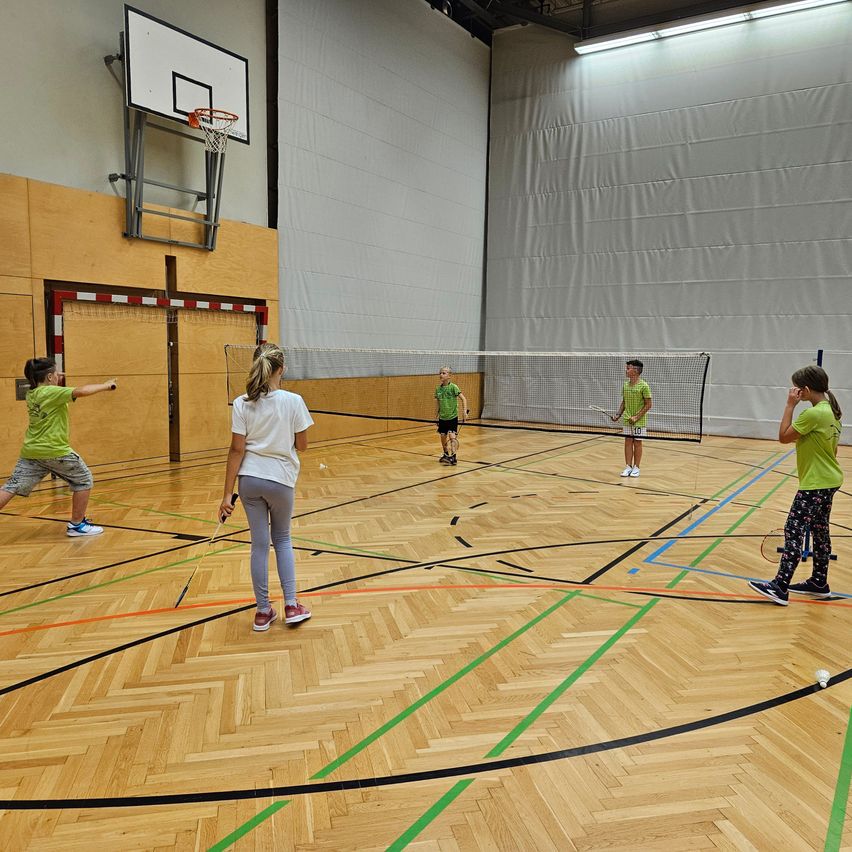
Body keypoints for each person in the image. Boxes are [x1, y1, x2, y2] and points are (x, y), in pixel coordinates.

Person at [220, 343, 314, 631]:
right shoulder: (293, 400)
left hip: (249, 481)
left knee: (259, 546)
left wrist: (226, 494)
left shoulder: (241, 403)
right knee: (282, 539)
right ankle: (291, 605)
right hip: (281, 480)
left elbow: (236, 450)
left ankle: (263, 612)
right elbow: (303, 446)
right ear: (281, 369)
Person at [748, 365, 843, 605]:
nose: (795, 392)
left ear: (806, 390)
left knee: (794, 529)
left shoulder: (813, 414)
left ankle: (780, 586)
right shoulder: (831, 412)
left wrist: (790, 405)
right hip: (829, 480)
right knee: (820, 532)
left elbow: (783, 436)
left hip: (815, 484)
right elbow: (833, 451)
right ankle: (819, 582)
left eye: (798, 389)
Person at [0, 357, 116, 536]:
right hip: (54, 450)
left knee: (12, 486)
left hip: (31, 451)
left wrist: (53, 376)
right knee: (83, 480)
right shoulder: (52, 392)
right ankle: (77, 525)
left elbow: (48, 387)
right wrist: (105, 385)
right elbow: (82, 391)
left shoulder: (32, 393)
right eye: (55, 373)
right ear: (48, 377)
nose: (58, 375)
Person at [611, 359, 652, 477]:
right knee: (628, 441)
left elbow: (649, 404)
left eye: (628, 368)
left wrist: (636, 417)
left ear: (635, 370)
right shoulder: (625, 385)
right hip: (626, 420)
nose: (626, 370)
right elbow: (624, 402)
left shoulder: (644, 386)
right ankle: (628, 466)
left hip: (640, 421)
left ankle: (636, 467)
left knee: (637, 442)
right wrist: (618, 414)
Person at [435, 366, 468, 466]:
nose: (441, 375)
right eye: (440, 373)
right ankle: (446, 454)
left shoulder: (453, 387)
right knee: (443, 436)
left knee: (452, 435)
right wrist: (435, 416)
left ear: (449, 376)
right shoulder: (438, 389)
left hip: (452, 417)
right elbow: (437, 404)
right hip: (442, 418)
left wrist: (464, 412)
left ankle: (453, 457)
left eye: (444, 373)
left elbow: (464, 399)